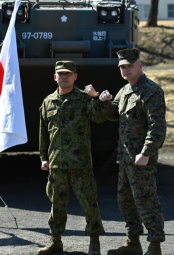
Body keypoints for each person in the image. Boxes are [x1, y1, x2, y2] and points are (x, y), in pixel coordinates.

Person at [84, 49, 166, 255]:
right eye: (122, 67)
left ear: (140, 65)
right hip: (126, 158)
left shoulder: (151, 91)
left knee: (146, 199)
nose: (125, 70)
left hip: (141, 158)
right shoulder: (125, 91)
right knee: (125, 200)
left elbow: (157, 126)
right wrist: (99, 99)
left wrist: (147, 152)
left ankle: (154, 245)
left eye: (129, 66)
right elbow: (111, 116)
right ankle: (133, 242)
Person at [38, 60, 105, 255]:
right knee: (57, 204)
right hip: (56, 163)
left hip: (80, 163)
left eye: (68, 74)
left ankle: (94, 243)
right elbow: (43, 133)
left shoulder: (84, 99)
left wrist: (97, 98)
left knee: (89, 203)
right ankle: (55, 240)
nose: (64, 77)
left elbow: (99, 117)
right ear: (55, 77)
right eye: (61, 74)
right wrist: (44, 157)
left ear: (75, 76)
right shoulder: (48, 102)